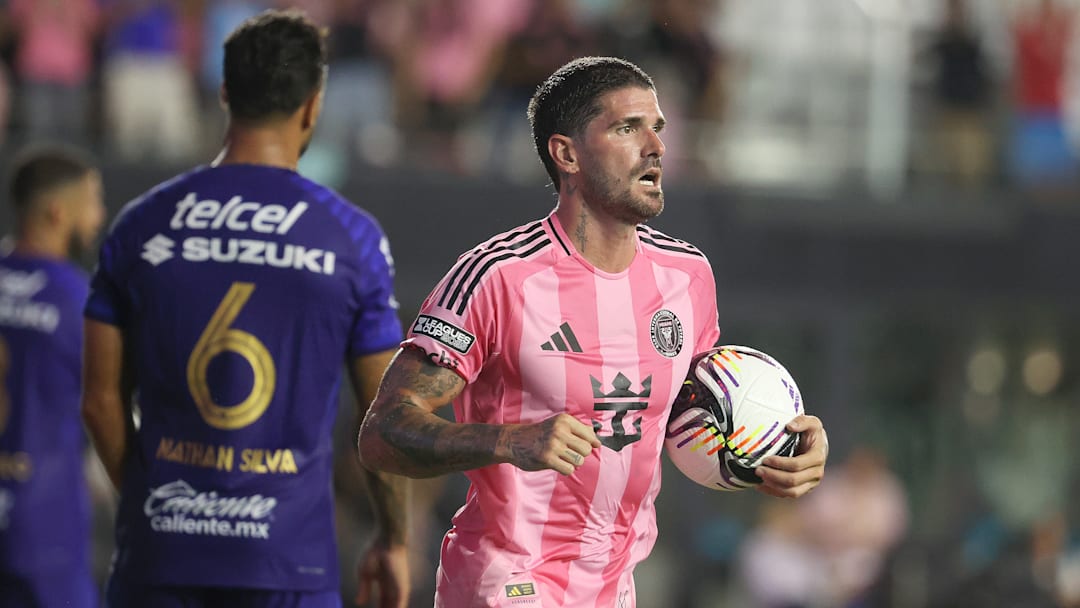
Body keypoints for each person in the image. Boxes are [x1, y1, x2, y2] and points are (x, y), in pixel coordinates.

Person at [357, 56, 829, 608]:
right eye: (627, 128)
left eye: (658, 128)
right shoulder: (497, 275)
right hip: (508, 580)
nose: (654, 146)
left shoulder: (688, 277)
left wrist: (777, 447)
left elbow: (694, 409)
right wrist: (511, 441)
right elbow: (382, 431)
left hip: (614, 587)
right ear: (567, 153)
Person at [81, 9, 409, 608]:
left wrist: (147, 504)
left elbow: (100, 399)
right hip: (288, 564)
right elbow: (384, 417)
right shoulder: (350, 237)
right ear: (314, 104)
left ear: (226, 93)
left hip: (160, 556)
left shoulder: (141, 223)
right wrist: (393, 540)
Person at [0, 146, 105, 608]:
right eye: (93, 203)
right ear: (58, 212)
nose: (99, 217)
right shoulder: (77, 301)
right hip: (44, 528)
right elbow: (109, 407)